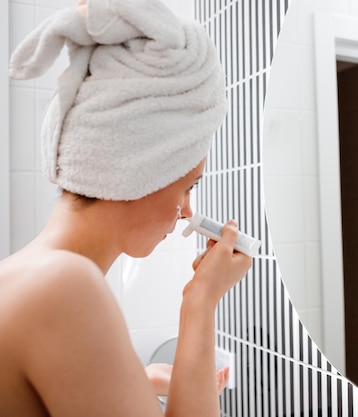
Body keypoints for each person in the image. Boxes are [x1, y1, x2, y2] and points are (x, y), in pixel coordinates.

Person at [1, 0, 251, 416]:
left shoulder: (25, 274)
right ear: (142, 169)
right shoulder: (67, 286)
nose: (187, 212)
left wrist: (140, 379)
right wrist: (201, 300)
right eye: (188, 186)